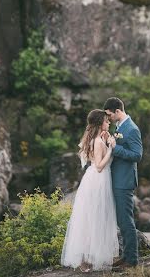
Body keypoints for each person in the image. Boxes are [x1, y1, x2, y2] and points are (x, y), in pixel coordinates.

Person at [61, 109, 119, 272]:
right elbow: (100, 167)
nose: (109, 123)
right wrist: (111, 149)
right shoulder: (99, 142)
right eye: (107, 121)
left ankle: (88, 259)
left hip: (92, 179)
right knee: (95, 218)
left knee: (91, 218)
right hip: (98, 180)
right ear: (101, 123)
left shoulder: (94, 138)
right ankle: (87, 260)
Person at [104, 97, 143, 270]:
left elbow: (137, 155)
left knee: (126, 220)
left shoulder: (132, 129)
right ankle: (125, 256)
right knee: (121, 219)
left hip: (124, 180)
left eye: (109, 115)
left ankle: (132, 260)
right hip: (117, 178)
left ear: (118, 111)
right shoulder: (119, 127)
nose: (108, 118)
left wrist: (115, 148)